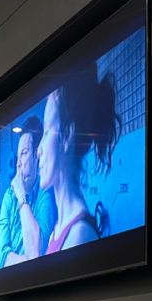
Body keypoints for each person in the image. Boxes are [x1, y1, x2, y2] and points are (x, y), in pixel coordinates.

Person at [38, 63, 119, 254]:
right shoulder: (57, 231)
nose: (38, 150)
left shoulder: (79, 236)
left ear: (66, 136)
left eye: (47, 131)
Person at [0, 116, 56, 269]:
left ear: (37, 155)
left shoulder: (45, 197)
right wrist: (26, 261)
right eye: (18, 155)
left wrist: (22, 197)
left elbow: (36, 253)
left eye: (24, 153)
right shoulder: (8, 196)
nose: (18, 163)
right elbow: (2, 254)